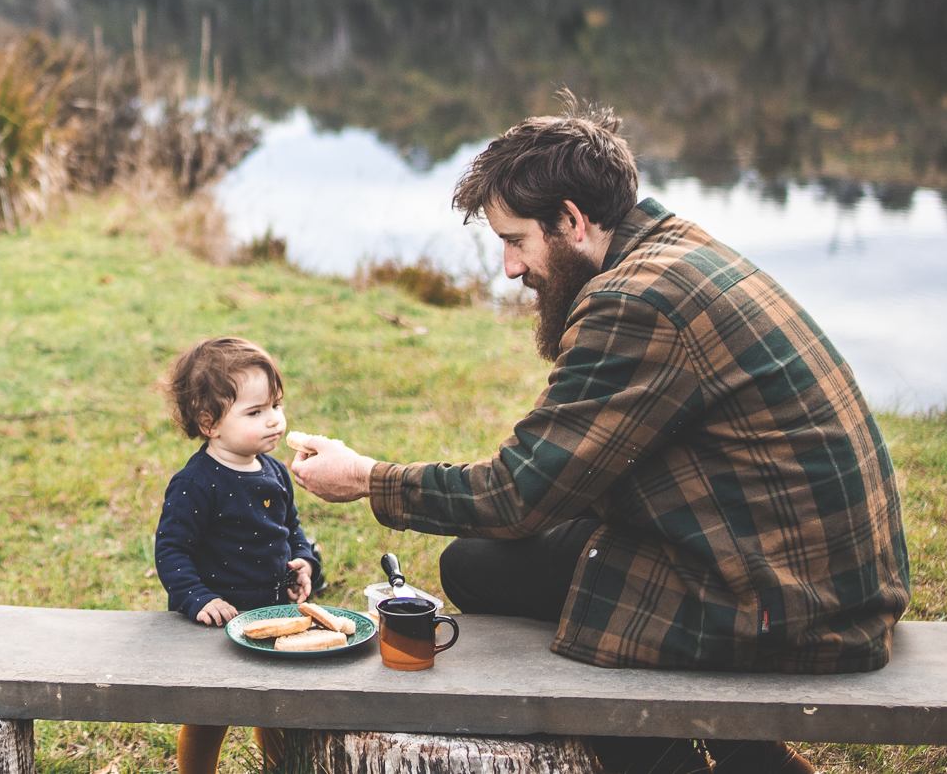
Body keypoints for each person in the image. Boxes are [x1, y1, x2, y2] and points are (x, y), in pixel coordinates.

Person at [288, 99, 910, 774]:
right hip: (825, 580)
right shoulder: (675, 248)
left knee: (486, 566)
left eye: (516, 240)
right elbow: (565, 470)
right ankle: (749, 758)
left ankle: (666, 758)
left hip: (786, 606)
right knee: (479, 561)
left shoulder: (634, 303)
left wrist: (367, 477)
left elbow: (516, 495)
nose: (509, 268)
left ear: (572, 220)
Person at [154, 336, 323, 774]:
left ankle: (279, 766)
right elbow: (172, 550)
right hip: (216, 621)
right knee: (210, 713)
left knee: (277, 705)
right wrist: (198, 598)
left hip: (273, 612)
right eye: (255, 412)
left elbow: (290, 529)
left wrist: (303, 561)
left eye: (276, 405)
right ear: (210, 423)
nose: (274, 420)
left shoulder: (274, 471)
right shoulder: (196, 483)